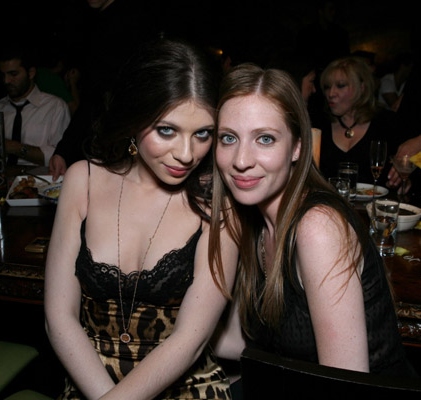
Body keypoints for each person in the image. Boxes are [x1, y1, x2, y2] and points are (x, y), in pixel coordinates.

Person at [44, 37, 238, 399]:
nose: (186, 154)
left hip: (185, 388)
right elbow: (59, 318)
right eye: (167, 130)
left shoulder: (218, 206)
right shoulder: (82, 180)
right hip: (90, 383)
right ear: (134, 118)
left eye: (202, 134)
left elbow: (190, 341)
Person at [209, 63, 419, 390]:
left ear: (297, 146)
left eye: (265, 138)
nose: (241, 160)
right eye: (228, 138)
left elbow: (344, 385)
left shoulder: (317, 227)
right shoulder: (250, 219)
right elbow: (240, 343)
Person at [48, 0, 162, 181]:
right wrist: (64, 150)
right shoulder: (92, 24)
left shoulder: (136, 21)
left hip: (131, 143)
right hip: (108, 145)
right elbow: (92, 98)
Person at [314, 56, 405, 189]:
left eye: (340, 85)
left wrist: (405, 177)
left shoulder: (386, 123)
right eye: (327, 87)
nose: (331, 93)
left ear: (362, 87)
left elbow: (414, 157)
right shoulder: (318, 125)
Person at [0, 42, 71, 167]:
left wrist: (14, 147)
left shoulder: (55, 107)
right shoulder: (1, 106)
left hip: (41, 176)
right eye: (3, 75)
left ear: (31, 73)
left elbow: (62, 155)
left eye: (13, 74)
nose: (6, 81)